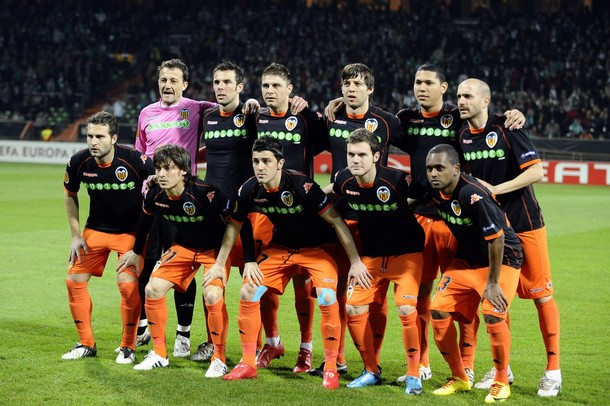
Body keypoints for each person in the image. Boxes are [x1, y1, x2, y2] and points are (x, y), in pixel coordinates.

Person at [393, 63, 525, 384]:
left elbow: (487, 119)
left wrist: (514, 115)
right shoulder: (406, 119)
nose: (421, 88)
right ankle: (422, 362)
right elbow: (373, 125)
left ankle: (467, 364)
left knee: (465, 299)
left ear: (444, 87)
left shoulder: (458, 117)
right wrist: (338, 104)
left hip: (456, 221)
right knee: (423, 294)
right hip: (422, 219)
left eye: (429, 82)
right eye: (417, 82)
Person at [203, 136, 367, 389]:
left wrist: (355, 261)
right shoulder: (249, 189)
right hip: (281, 248)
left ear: (280, 163)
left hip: (317, 249)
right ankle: (247, 363)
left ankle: (331, 368)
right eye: (256, 161)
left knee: (326, 296)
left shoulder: (302, 185)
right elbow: (234, 226)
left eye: (266, 161)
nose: (260, 167)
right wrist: (223, 263)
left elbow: (336, 221)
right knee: (248, 290)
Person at [456, 78, 562, 397]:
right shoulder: (460, 134)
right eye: (458, 96)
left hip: (525, 223)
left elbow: (536, 172)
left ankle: (553, 371)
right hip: (492, 228)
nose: (461, 101)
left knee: (541, 295)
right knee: (499, 297)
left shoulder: (508, 126)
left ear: (485, 101)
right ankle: (504, 368)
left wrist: (496, 190)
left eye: (468, 96)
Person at [313, 62, 403, 376]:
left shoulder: (387, 122)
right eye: (347, 84)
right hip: (339, 217)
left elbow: (422, 146)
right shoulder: (331, 117)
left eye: (358, 84)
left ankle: (373, 362)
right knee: (336, 290)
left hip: (377, 220)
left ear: (370, 88)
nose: (352, 89)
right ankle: (336, 359)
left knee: (375, 295)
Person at [116, 144, 233, 376]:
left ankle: (219, 358)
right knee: (152, 288)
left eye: (168, 168)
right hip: (183, 247)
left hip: (214, 250)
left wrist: (222, 263)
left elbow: (236, 224)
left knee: (212, 295)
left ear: (184, 171)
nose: (161, 174)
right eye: (158, 168)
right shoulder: (156, 194)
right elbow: (145, 221)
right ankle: (159, 354)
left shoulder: (206, 193)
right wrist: (136, 252)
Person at [328, 129, 425, 395]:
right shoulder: (344, 180)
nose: (355, 160)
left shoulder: (397, 180)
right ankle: (371, 370)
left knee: (406, 308)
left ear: (376, 156)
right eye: (351, 154)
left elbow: (428, 194)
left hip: (407, 254)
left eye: (362, 154)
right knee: (353, 308)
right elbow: (327, 195)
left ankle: (414, 374)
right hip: (371, 256)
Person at [425, 143, 522, 403]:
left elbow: (497, 238)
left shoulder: (472, 193)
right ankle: (460, 377)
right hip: (468, 259)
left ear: (456, 169)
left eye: (440, 168)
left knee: (492, 313)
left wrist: (492, 283)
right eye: (430, 169)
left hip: (503, 260)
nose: (433, 173)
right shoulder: (434, 190)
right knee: (438, 310)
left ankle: (501, 381)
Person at [61, 111, 154, 364]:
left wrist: (148, 238)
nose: (93, 142)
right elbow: (70, 194)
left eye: (100, 137)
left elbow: (161, 188)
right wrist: (75, 235)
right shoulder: (78, 162)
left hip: (130, 233)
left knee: (127, 285)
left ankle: (128, 346)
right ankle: (86, 344)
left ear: (114, 138)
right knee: (73, 281)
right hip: (96, 230)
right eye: (90, 136)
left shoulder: (136, 160)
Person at [253, 63, 327, 374]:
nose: (270, 91)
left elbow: (330, 139)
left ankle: (306, 349)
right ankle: (273, 342)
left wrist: (313, 110)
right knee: (263, 283)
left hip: (301, 212)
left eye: (276, 86)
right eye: (265, 86)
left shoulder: (305, 119)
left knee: (302, 284)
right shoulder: (256, 117)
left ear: (290, 89)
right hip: (265, 213)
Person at [190, 61, 258, 363]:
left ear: (240, 87)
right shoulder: (208, 117)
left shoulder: (252, 115)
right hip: (214, 212)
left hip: (247, 212)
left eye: (227, 82)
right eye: (217, 82)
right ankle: (211, 341)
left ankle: (257, 345)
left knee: (252, 282)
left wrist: (254, 105)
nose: (221, 87)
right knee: (212, 280)